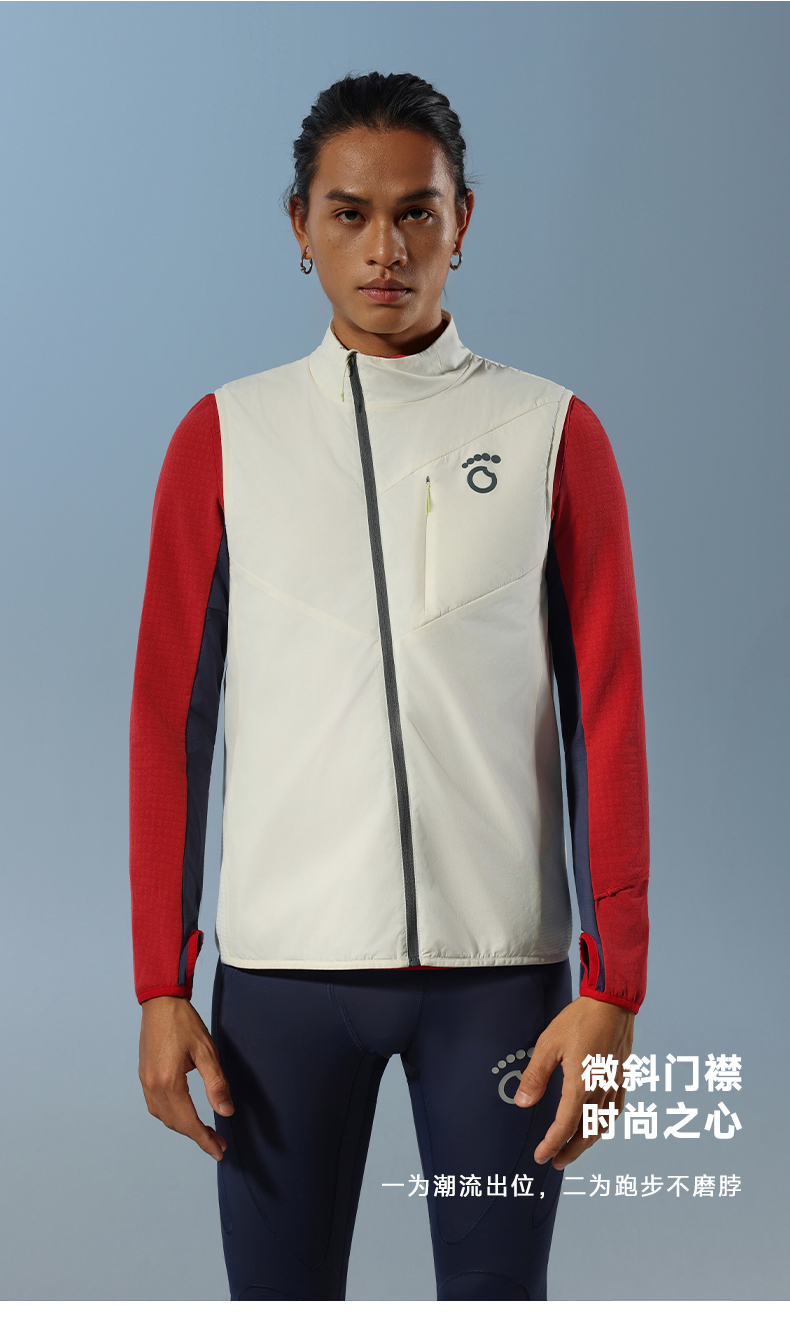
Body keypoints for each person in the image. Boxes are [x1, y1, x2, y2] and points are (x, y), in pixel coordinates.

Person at [131, 72, 649, 1302]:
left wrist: (614, 987)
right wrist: (159, 982)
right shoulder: (223, 437)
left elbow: (608, 715)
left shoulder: (552, 431)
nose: (386, 249)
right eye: (349, 213)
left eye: (417, 211)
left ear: (463, 219)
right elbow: (169, 724)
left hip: (500, 978)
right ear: (299, 225)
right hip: (279, 983)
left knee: (496, 1306)